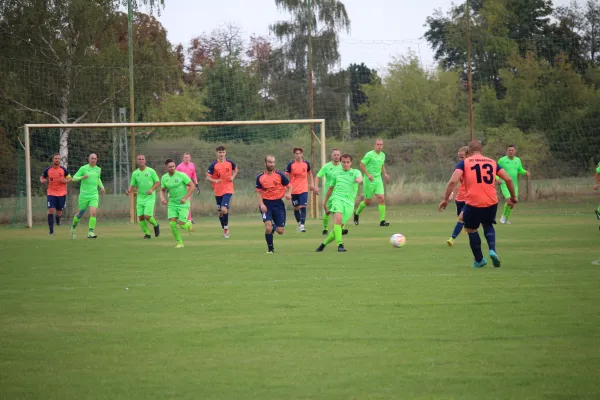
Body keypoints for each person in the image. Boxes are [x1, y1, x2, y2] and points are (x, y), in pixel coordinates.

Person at [439, 140, 517, 269]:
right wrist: (513, 197)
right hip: (491, 201)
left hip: (473, 202)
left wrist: (445, 199)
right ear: (481, 151)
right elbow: (508, 179)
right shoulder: (492, 162)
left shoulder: (463, 163)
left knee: (471, 229)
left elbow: (453, 181)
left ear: (468, 152)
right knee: (488, 224)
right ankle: (492, 250)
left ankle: (479, 259)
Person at [316, 154, 363, 253]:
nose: (345, 164)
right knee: (337, 221)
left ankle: (323, 244)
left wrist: (359, 180)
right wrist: (325, 202)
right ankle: (340, 245)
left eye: (347, 162)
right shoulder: (336, 173)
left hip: (349, 203)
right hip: (337, 199)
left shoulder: (355, 172)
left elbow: (360, 178)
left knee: (339, 226)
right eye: (343, 162)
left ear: (351, 163)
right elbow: (331, 188)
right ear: (341, 162)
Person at [256, 155, 292, 254]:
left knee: (280, 231)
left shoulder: (280, 175)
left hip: (278, 204)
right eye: (269, 162)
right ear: (265, 163)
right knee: (268, 227)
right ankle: (270, 249)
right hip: (266, 204)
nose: (271, 164)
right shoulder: (260, 177)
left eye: (273, 162)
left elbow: (289, 186)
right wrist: (261, 204)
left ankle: (273, 226)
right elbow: (258, 192)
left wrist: (289, 193)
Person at [353, 138, 391, 227]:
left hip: (378, 179)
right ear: (374, 145)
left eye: (381, 144)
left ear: (383, 146)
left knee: (381, 198)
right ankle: (357, 213)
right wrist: (368, 174)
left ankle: (382, 221)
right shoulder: (369, 154)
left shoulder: (383, 155)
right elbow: (361, 165)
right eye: (377, 144)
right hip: (368, 180)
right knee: (367, 202)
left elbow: (382, 165)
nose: (379, 146)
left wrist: (385, 174)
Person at [161, 159, 195, 248]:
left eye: (173, 166)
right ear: (166, 168)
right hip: (172, 204)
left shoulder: (181, 175)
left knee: (182, 225)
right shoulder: (164, 178)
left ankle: (189, 224)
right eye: (170, 167)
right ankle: (180, 243)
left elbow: (192, 186)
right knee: (172, 224)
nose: (172, 168)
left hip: (183, 204)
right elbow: (162, 190)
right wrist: (162, 198)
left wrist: (185, 197)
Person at [206, 146, 238, 239]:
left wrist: (232, 177)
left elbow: (236, 169)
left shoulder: (230, 162)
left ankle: (226, 228)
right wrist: (215, 181)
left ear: (225, 153)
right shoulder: (213, 165)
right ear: (217, 153)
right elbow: (207, 177)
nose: (221, 154)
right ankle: (224, 228)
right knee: (220, 213)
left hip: (228, 189)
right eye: (220, 152)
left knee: (224, 209)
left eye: (223, 152)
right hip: (218, 190)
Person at [126, 154, 161, 239]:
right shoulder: (135, 173)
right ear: (137, 161)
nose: (141, 160)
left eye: (142, 159)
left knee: (147, 216)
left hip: (150, 197)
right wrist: (128, 191)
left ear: (145, 161)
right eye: (139, 159)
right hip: (140, 197)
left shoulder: (151, 171)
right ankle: (147, 234)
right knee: (141, 217)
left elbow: (157, 182)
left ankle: (156, 225)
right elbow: (132, 185)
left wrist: (151, 189)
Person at [70, 153, 105, 239]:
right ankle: (73, 227)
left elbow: (98, 178)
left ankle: (90, 232)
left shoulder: (98, 169)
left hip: (94, 194)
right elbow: (74, 178)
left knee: (93, 213)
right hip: (84, 195)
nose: (93, 160)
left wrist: (102, 187)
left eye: (95, 159)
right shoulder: (83, 168)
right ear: (88, 159)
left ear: (97, 160)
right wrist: (82, 177)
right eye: (92, 158)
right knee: (80, 213)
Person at [315, 148, 348, 236]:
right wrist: (316, 186)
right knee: (327, 212)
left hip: (340, 193)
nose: (336, 156)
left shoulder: (343, 166)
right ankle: (325, 228)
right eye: (334, 155)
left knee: (341, 211)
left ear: (340, 156)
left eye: (338, 155)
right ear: (332, 156)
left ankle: (342, 228)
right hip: (329, 193)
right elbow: (318, 176)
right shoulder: (326, 166)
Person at [497, 145, 530, 224]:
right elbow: (495, 170)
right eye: (509, 150)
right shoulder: (502, 160)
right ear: (507, 151)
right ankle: (503, 217)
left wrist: (525, 172)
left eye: (512, 150)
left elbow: (520, 170)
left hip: (514, 185)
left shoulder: (517, 160)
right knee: (509, 201)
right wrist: (497, 179)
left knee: (513, 203)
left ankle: (506, 219)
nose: (511, 152)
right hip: (504, 183)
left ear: (515, 151)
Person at [40, 154, 72, 235]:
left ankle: (58, 219)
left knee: (59, 213)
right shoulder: (48, 170)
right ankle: (51, 231)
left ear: (60, 160)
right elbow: (42, 177)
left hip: (61, 194)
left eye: (58, 159)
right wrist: (42, 180)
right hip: (51, 193)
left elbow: (70, 178)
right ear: (53, 160)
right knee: (50, 210)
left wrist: (65, 181)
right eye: (55, 158)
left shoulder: (63, 170)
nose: (57, 160)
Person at [285, 148, 314, 232]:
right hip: (293, 190)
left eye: (299, 153)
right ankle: (299, 223)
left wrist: (312, 183)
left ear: (302, 154)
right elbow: (285, 176)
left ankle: (302, 225)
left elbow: (310, 174)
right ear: (294, 155)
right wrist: (286, 188)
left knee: (303, 206)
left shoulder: (306, 163)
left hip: (304, 189)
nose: (298, 155)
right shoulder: (291, 164)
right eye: (296, 153)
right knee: (297, 208)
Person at [447, 146, 469, 247]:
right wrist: (451, 193)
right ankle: (466, 225)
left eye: (462, 157)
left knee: (461, 218)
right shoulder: (459, 167)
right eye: (459, 157)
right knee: (460, 216)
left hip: (470, 198)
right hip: (460, 197)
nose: (460, 159)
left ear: (468, 156)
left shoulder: (472, 167)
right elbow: (454, 182)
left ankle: (452, 239)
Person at [176, 152, 200, 224]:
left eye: (188, 157)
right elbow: (175, 177)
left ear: (190, 158)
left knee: (187, 202)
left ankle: (189, 219)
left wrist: (197, 185)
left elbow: (194, 175)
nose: (187, 159)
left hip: (189, 186)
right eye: (185, 157)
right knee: (180, 203)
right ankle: (180, 218)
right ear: (183, 158)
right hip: (180, 187)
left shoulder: (192, 165)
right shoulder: (179, 167)